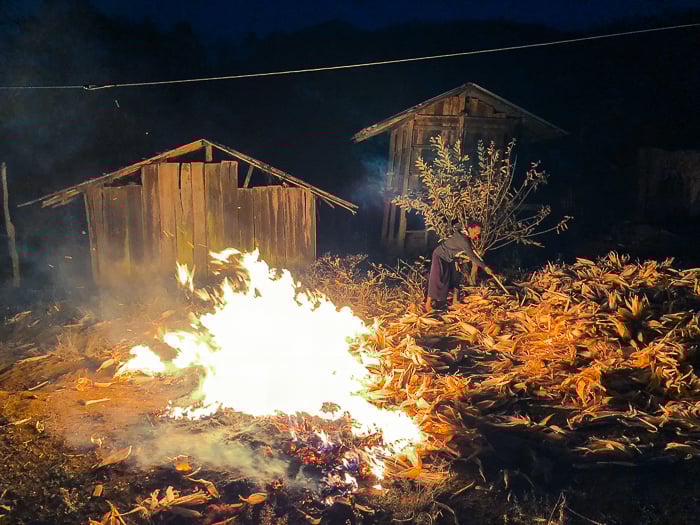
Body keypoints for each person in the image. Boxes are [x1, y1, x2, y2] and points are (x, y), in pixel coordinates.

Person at [425, 222, 494, 313]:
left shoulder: (465, 235)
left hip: (450, 258)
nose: (477, 236)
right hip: (440, 255)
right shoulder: (463, 240)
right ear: (469, 229)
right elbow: (472, 256)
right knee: (437, 279)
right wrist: (485, 267)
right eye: (475, 233)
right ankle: (428, 304)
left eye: (478, 234)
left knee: (456, 277)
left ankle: (454, 301)